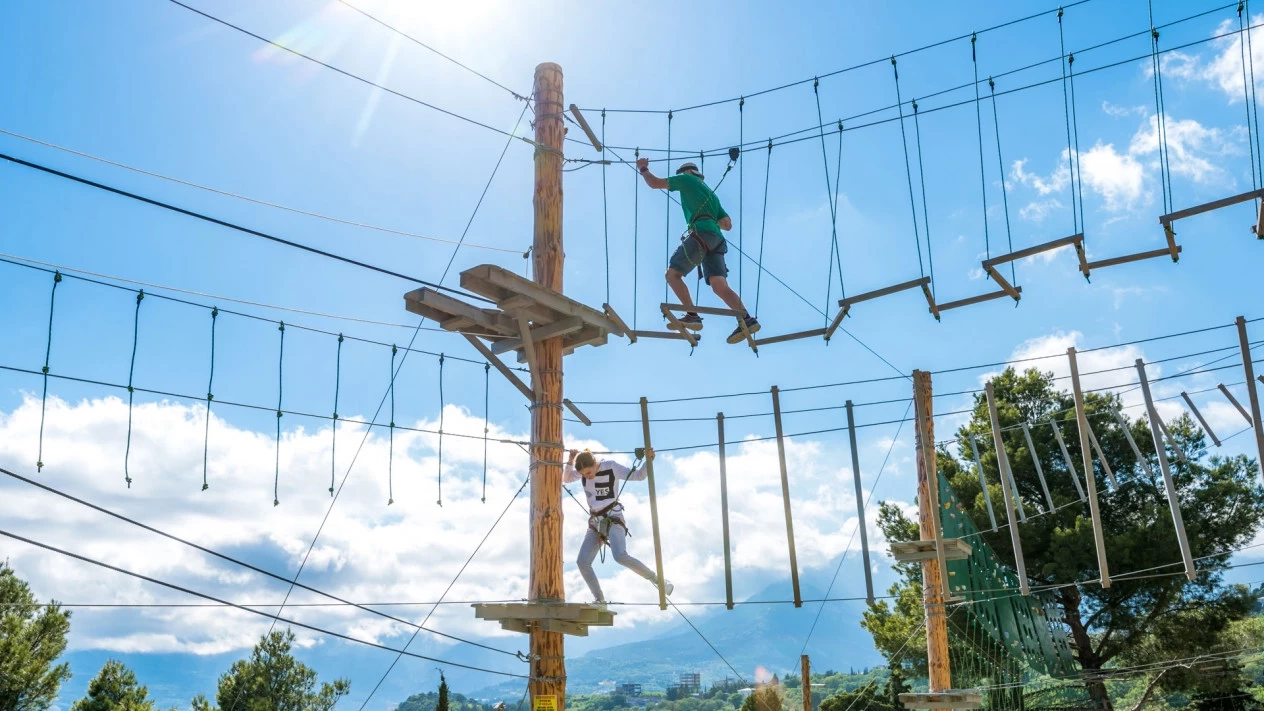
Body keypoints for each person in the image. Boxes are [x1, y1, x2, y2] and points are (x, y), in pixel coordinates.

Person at [637, 157, 761, 344]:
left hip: (701, 234)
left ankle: (692, 315)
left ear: (686, 172)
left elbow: (654, 183)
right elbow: (727, 224)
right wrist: (710, 218)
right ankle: (746, 319)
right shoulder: (711, 193)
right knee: (719, 286)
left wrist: (643, 168)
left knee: (672, 275)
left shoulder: (685, 179)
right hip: (717, 239)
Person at [564, 447, 673, 605]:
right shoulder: (583, 472)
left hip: (613, 519)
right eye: (583, 475)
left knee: (620, 556)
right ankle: (599, 599)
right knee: (582, 561)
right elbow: (567, 478)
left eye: (588, 472)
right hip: (596, 523)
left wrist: (648, 460)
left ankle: (658, 580)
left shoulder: (611, 467)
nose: (587, 476)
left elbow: (639, 475)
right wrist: (570, 459)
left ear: (594, 463)